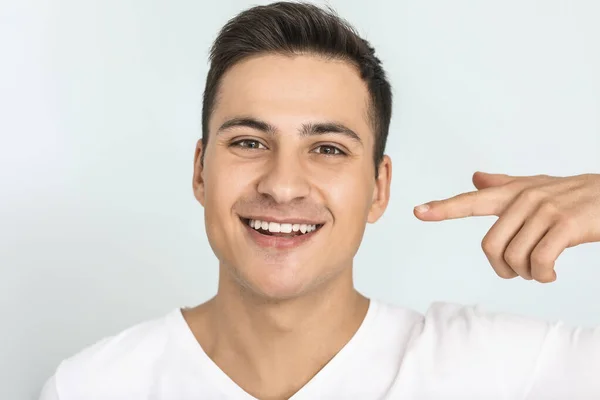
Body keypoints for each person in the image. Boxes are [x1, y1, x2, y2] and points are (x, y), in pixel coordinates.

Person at [40, 2, 600, 399]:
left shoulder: (506, 374)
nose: (283, 185)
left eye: (328, 148)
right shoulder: (92, 387)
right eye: (249, 142)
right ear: (200, 171)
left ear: (378, 187)